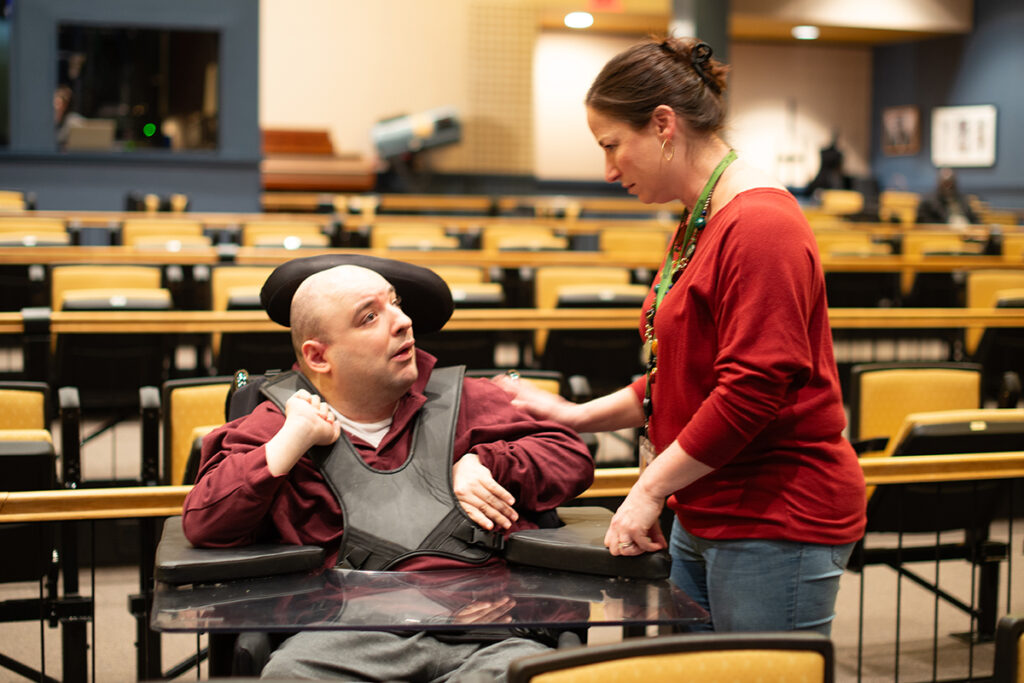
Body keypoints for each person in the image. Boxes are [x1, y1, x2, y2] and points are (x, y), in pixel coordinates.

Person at [495, 37, 866, 636]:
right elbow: (681, 371)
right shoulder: (702, 216)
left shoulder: (760, 224)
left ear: (664, 124)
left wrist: (648, 488)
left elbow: (753, 388)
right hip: (707, 498)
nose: (609, 170)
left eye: (613, 146)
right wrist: (572, 414)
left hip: (775, 511)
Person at [182, 253, 594, 681]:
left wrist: (484, 461)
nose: (402, 321)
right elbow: (204, 523)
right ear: (319, 357)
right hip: (345, 634)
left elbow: (571, 455)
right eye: (369, 317)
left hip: (486, 630)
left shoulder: (463, 398)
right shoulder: (276, 423)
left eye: (396, 304)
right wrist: (288, 444)